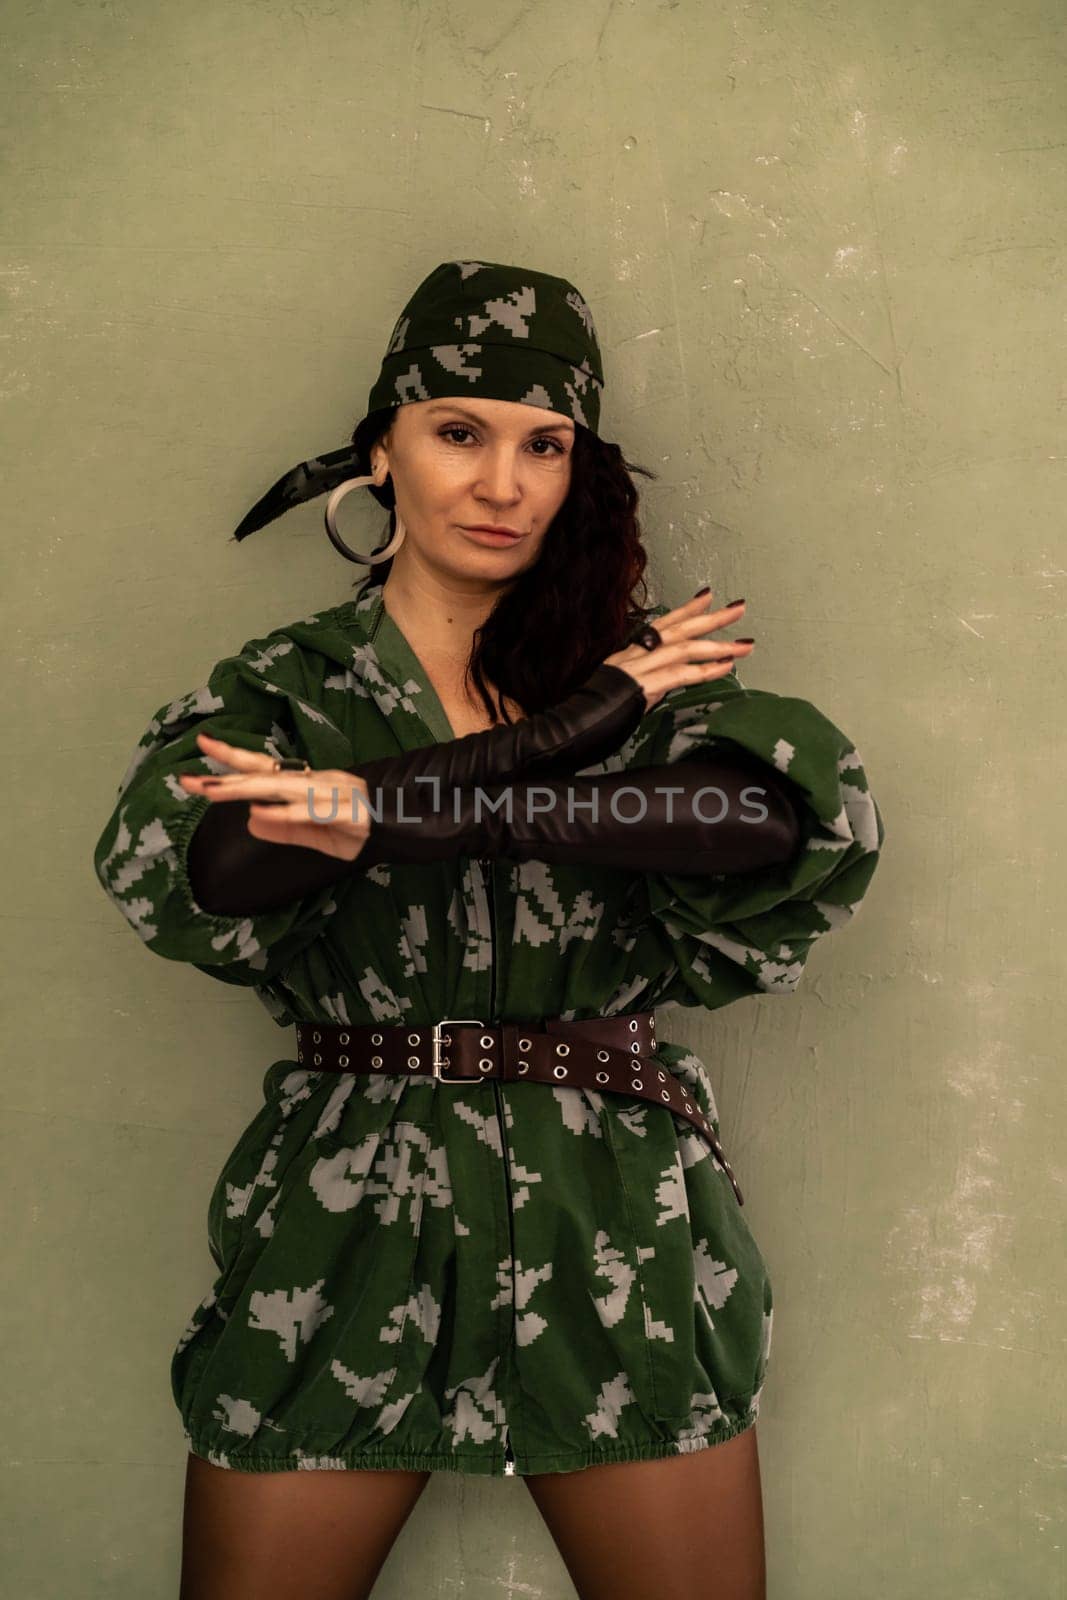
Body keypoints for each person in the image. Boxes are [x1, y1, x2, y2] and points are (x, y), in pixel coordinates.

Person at [93, 261, 884, 1600]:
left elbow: (768, 819)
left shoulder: (640, 669)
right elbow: (217, 861)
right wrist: (563, 750)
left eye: (543, 446)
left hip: (609, 1216)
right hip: (343, 1219)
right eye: (459, 432)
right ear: (381, 451)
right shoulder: (292, 687)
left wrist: (437, 804)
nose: (503, 485)